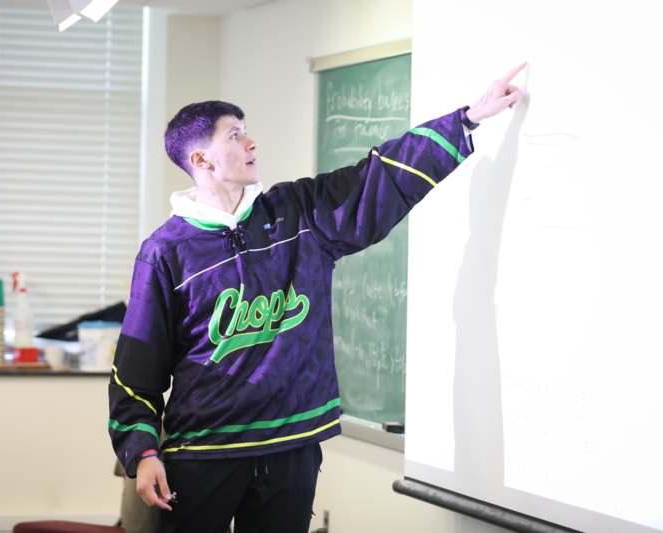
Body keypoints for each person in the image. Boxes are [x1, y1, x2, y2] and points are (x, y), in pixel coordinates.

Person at [108, 64, 526, 533]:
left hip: (293, 446)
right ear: (201, 161)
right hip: (205, 451)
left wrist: (467, 119)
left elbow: (379, 178)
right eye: (235, 136)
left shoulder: (299, 213)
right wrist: (142, 451)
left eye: (247, 133)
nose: (251, 143)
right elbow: (135, 369)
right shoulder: (165, 252)